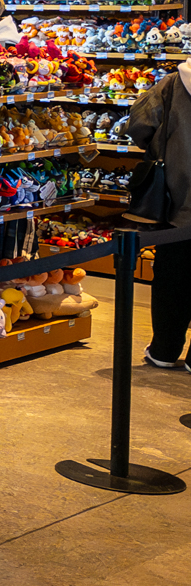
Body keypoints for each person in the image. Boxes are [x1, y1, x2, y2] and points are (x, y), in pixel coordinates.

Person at [128, 58, 191, 369]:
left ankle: (164, 349)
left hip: (178, 200)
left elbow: (139, 124)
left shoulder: (175, 83)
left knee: (172, 275)